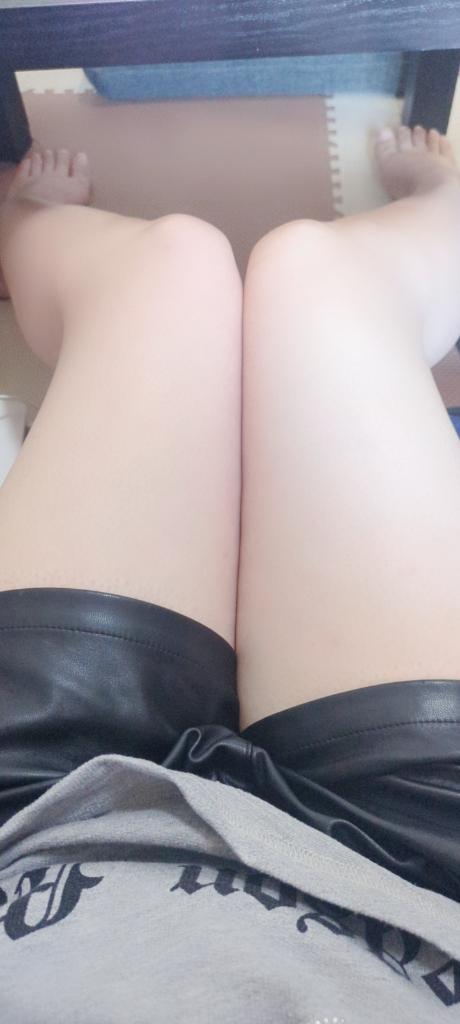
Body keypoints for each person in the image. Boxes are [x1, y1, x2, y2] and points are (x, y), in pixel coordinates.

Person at [0, 125, 459, 1022]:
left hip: (37, 833)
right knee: (313, 272)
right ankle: (446, 207)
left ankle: (25, 221)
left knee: (174, 263)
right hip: (428, 890)